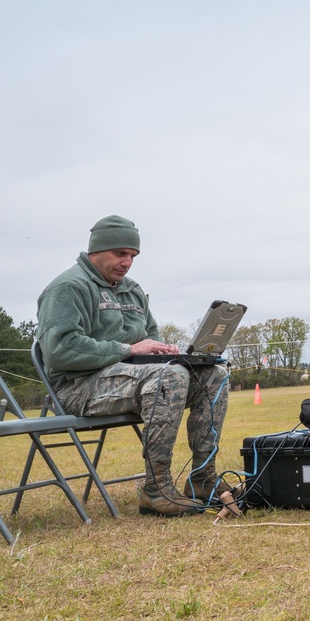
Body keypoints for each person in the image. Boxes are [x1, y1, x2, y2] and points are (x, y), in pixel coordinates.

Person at [36, 215, 230, 517]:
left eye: (132, 256)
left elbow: (149, 334)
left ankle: (203, 479)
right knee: (170, 376)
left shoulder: (132, 290)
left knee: (214, 375)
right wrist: (128, 349)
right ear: (96, 251)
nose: (127, 262)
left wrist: (161, 349)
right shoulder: (68, 288)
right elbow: (60, 350)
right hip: (76, 388)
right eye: (120, 253)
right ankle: (157, 489)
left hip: (133, 378)